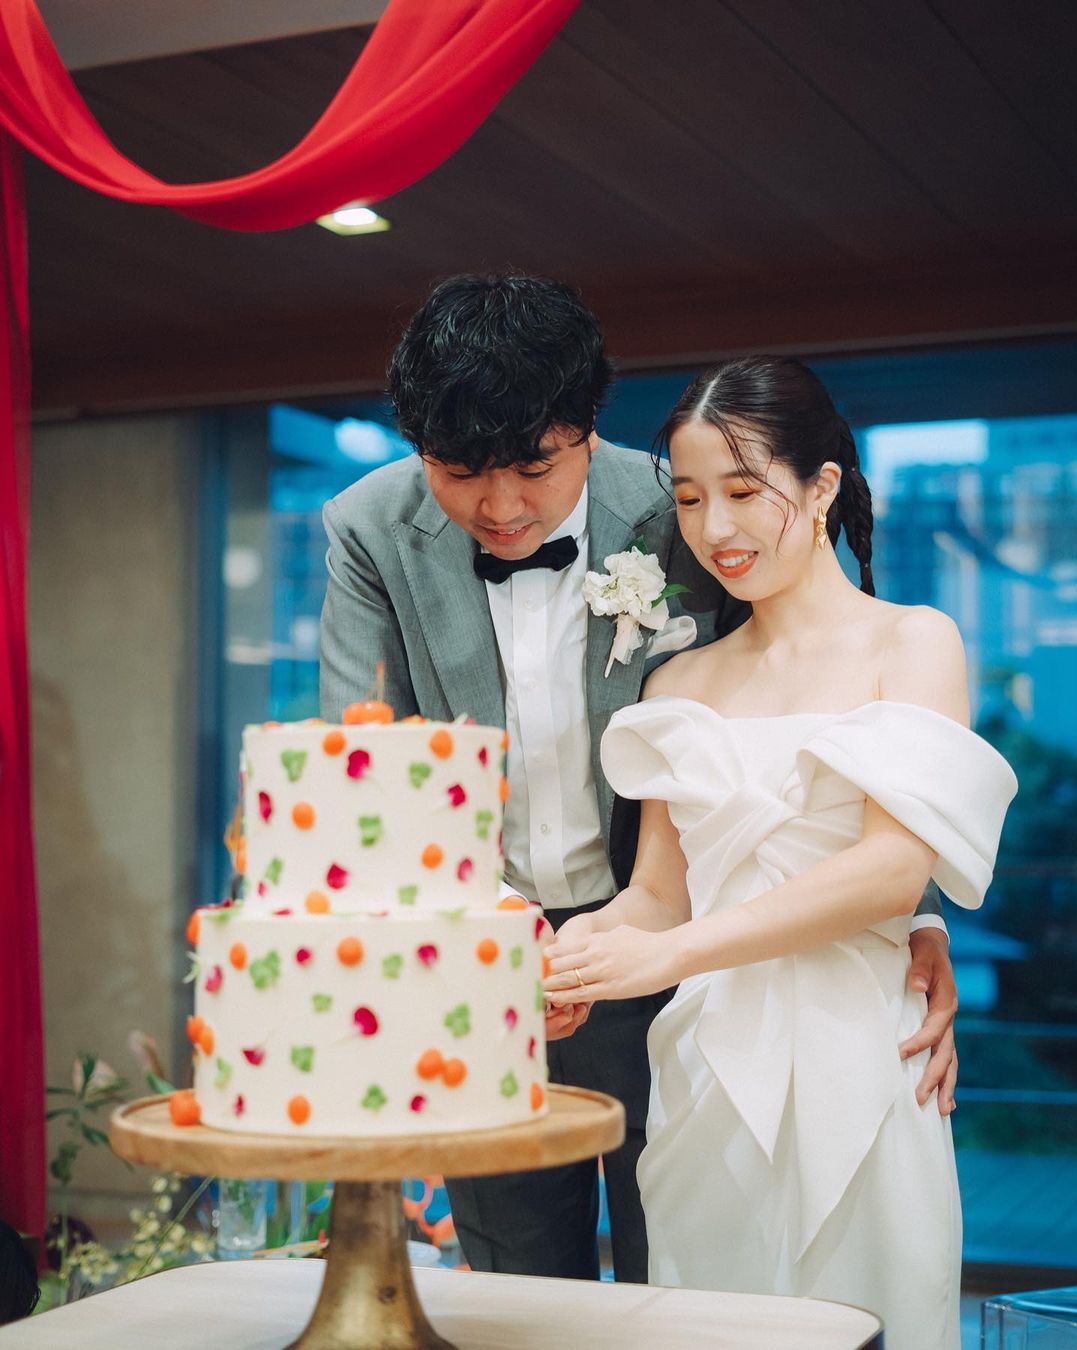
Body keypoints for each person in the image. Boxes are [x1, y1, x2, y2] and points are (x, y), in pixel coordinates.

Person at [319, 276, 958, 1284]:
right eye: (458, 472)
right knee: (516, 1289)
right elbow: (364, 763)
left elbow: (827, 715)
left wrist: (910, 922)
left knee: (690, 1273)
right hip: (495, 958)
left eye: (534, 467)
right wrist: (507, 937)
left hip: (692, 966)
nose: (501, 507)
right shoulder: (368, 527)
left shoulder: (687, 504)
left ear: (586, 430)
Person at [544, 356, 1016, 1346]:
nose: (715, 527)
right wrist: (584, 948)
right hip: (708, 1064)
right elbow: (659, 894)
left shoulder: (913, 643)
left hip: (870, 1052)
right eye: (689, 498)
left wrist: (666, 957)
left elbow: (892, 872)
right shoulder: (677, 684)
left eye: (745, 490)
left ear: (823, 484)